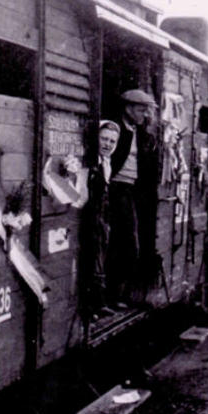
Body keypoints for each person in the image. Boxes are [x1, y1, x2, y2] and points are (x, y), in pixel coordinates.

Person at [106, 89, 159, 308]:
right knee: (123, 243)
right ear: (127, 109)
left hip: (132, 191)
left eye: (147, 111)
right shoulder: (115, 129)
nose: (144, 115)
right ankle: (111, 297)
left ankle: (119, 295)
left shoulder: (140, 133)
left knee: (128, 244)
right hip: (116, 190)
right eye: (140, 110)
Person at [82, 120, 121, 321]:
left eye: (112, 141)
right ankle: (92, 306)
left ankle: (99, 303)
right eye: (104, 139)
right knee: (93, 256)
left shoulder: (107, 163)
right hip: (91, 215)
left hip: (102, 215)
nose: (107, 144)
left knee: (101, 255)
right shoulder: (91, 163)